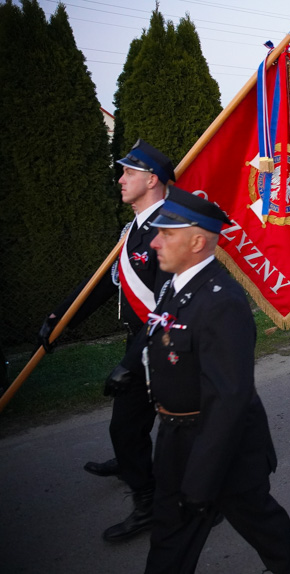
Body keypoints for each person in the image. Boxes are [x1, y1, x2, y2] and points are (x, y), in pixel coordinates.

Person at [140, 188, 290, 574]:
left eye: (166, 234)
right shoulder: (173, 284)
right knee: (170, 536)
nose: (154, 242)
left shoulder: (222, 302)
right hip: (174, 438)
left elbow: (229, 397)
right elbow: (159, 333)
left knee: (260, 522)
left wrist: (201, 477)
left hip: (223, 445)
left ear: (198, 241)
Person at [37, 139, 174, 542]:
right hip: (141, 343)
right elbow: (98, 285)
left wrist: (131, 362)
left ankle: (150, 502)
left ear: (152, 179)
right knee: (136, 428)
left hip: (162, 348)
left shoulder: (169, 229)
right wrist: (59, 319)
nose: (121, 179)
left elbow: (167, 307)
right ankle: (135, 463)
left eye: (129, 172)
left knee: (164, 430)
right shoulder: (132, 229)